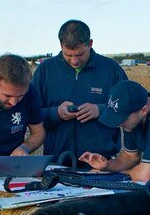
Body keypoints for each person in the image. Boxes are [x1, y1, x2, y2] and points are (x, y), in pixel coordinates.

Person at [32, 20, 127, 161]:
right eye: (68, 55)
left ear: (90, 44)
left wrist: (99, 110)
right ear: (60, 45)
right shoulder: (45, 70)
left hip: (101, 161)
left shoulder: (112, 70)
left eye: (80, 54)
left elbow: (128, 109)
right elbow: (31, 113)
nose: (74, 61)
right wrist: (56, 113)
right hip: (57, 159)